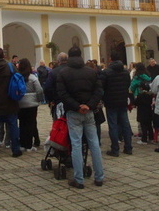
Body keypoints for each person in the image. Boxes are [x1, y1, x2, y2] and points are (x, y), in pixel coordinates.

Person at [57, 46, 104, 189]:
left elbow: (62, 94)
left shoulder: (64, 73)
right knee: (94, 143)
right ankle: (99, 177)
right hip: (89, 112)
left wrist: (77, 106)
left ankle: (79, 179)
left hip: (73, 112)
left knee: (76, 145)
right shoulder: (91, 72)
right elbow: (99, 90)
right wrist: (88, 105)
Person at [101, 50, 133, 157]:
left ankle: (115, 149)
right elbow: (128, 84)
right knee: (125, 124)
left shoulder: (106, 72)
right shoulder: (125, 72)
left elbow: (102, 86)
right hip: (122, 100)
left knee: (113, 125)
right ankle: (128, 147)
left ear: (111, 59)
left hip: (111, 101)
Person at [18, 58, 43, 151]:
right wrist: (39, 100)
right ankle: (29, 145)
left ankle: (22, 144)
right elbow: (39, 90)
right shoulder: (32, 78)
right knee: (30, 124)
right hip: (32, 104)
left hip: (20, 103)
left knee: (22, 124)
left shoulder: (18, 77)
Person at [43, 52, 68, 120]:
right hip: (72, 102)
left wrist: (50, 100)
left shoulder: (53, 72)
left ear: (58, 61)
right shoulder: (73, 70)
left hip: (57, 100)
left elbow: (47, 88)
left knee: (59, 123)